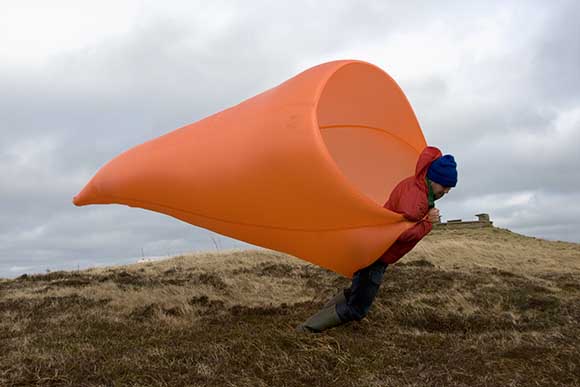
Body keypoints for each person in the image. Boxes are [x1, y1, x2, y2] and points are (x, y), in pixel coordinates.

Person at [296, 146, 457, 333]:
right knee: (357, 309)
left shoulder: (414, 185)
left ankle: (311, 325)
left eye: (449, 188)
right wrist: (428, 223)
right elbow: (402, 233)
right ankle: (306, 331)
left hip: (373, 248)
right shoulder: (417, 201)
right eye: (445, 187)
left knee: (353, 295)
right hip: (378, 255)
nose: (446, 192)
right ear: (434, 179)